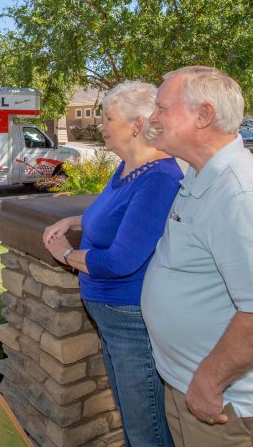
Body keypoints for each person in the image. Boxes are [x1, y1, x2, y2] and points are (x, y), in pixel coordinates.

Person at [142, 66, 253, 446]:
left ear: (203, 115)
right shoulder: (201, 176)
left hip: (232, 405)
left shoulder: (241, 194)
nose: (152, 118)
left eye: (162, 108)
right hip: (197, 389)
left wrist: (208, 383)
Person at [42, 81, 181, 447]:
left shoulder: (159, 179)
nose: (100, 124)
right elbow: (110, 215)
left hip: (131, 318)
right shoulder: (126, 168)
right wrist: (72, 222)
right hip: (111, 316)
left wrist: (67, 256)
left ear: (137, 125)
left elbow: (120, 260)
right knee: (132, 416)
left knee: (146, 427)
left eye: (107, 117)